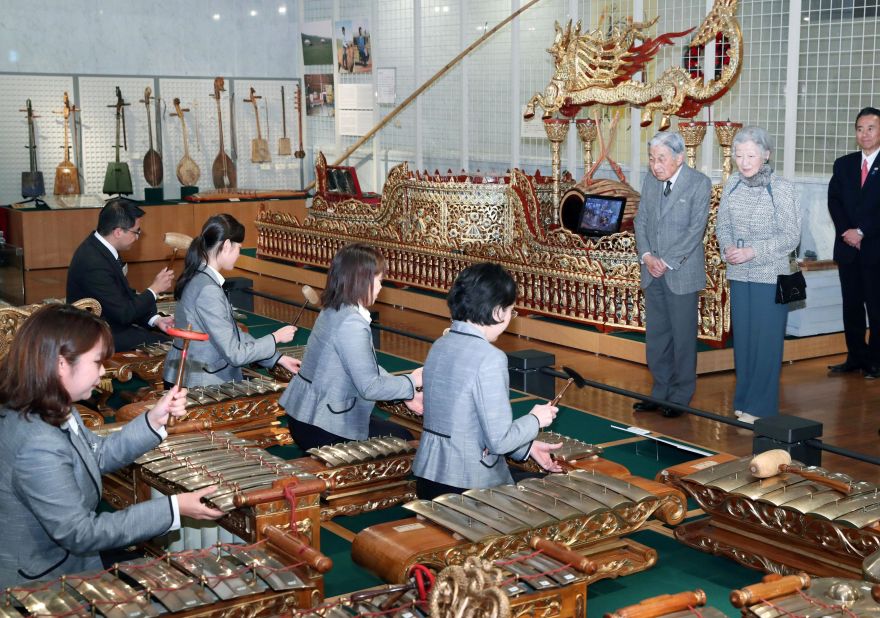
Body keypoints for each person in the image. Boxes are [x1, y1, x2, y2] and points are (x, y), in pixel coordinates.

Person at [0, 304, 223, 589]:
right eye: (97, 362)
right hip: (42, 583)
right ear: (60, 363)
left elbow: (96, 454)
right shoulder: (37, 443)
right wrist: (173, 508)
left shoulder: (50, 405)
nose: (103, 372)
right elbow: (80, 532)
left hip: (68, 565)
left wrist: (154, 418)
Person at [412, 262, 562, 500]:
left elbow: (465, 423)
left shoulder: (441, 344)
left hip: (429, 480)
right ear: (497, 311)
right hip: (470, 487)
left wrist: (527, 448)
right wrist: (535, 419)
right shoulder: (490, 358)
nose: (510, 318)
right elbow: (499, 441)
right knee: (557, 494)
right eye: (511, 310)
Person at [280, 243, 422, 451]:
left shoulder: (333, 308)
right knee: (404, 437)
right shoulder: (352, 323)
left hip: (303, 417)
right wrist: (413, 382)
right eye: (379, 280)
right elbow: (370, 387)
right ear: (362, 281)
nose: (381, 288)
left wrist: (404, 391)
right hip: (323, 427)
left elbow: (363, 367)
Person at [716, 126, 801, 423]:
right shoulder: (732, 185)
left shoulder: (781, 187)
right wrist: (727, 246)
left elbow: (791, 236)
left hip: (770, 273)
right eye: (739, 155)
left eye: (750, 154)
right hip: (739, 272)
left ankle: (761, 407)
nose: (744, 161)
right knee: (744, 340)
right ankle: (743, 400)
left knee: (766, 340)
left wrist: (753, 250)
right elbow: (721, 225)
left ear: (766, 155)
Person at [163, 214, 300, 387]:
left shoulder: (197, 275)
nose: (239, 254)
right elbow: (235, 354)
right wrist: (276, 337)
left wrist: (277, 358)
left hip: (186, 374)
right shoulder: (208, 290)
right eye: (239, 248)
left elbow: (232, 335)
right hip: (198, 383)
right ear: (227, 245)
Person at [634, 132, 712, 418]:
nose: (655, 165)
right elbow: (640, 220)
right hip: (652, 270)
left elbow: (695, 231)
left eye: (661, 159)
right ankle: (660, 392)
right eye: (652, 159)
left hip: (680, 272)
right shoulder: (650, 181)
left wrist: (665, 261)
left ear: (679, 158)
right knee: (657, 337)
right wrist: (647, 257)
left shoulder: (699, 183)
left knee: (682, 338)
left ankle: (680, 396)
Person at [66, 197, 175, 352]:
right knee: (169, 345)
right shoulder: (93, 262)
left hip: (111, 321)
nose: (138, 237)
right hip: (94, 334)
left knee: (162, 334)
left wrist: (155, 320)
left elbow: (124, 297)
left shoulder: (101, 248)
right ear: (118, 232)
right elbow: (124, 313)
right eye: (136, 232)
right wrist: (154, 289)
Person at [827, 107, 880, 378]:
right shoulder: (844, 164)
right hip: (848, 248)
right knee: (852, 306)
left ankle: (876, 361)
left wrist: (862, 231)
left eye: (871, 128)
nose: (865, 134)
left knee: (876, 307)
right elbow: (834, 201)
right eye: (860, 128)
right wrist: (848, 231)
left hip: (874, 248)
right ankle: (855, 357)